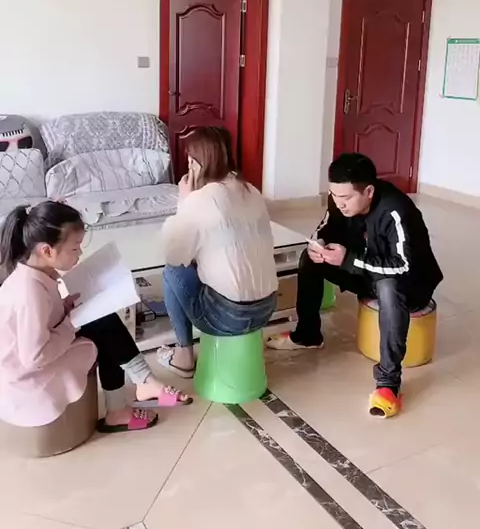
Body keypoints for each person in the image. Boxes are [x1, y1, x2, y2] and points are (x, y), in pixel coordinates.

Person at [268, 153, 443, 418]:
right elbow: (326, 227)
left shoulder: (397, 210)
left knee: (388, 287)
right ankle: (308, 334)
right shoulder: (338, 200)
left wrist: (349, 259)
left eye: (346, 198)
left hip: (409, 285)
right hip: (364, 271)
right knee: (309, 259)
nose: (339, 203)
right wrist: (319, 244)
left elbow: (403, 266)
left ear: (369, 191)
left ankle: (388, 383)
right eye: (334, 195)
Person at [0, 201, 191, 435]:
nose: (79, 254)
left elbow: (38, 323)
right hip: (29, 378)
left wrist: (64, 308)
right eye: (74, 248)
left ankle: (141, 385)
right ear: (47, 251)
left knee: (101, 317)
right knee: (103, 332)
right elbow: (34, 357)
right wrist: (70, 323)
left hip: (32, 359)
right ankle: (132, 394)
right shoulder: (30, 292)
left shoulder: (35, 273)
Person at [157, 126, 278, 377]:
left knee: (172, 271)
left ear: (195, 163)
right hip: (266, 309)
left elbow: (173, 254)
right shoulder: (251, 190)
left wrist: (184, 202)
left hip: (227, 317)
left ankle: (183, 355)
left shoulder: (201, 199)